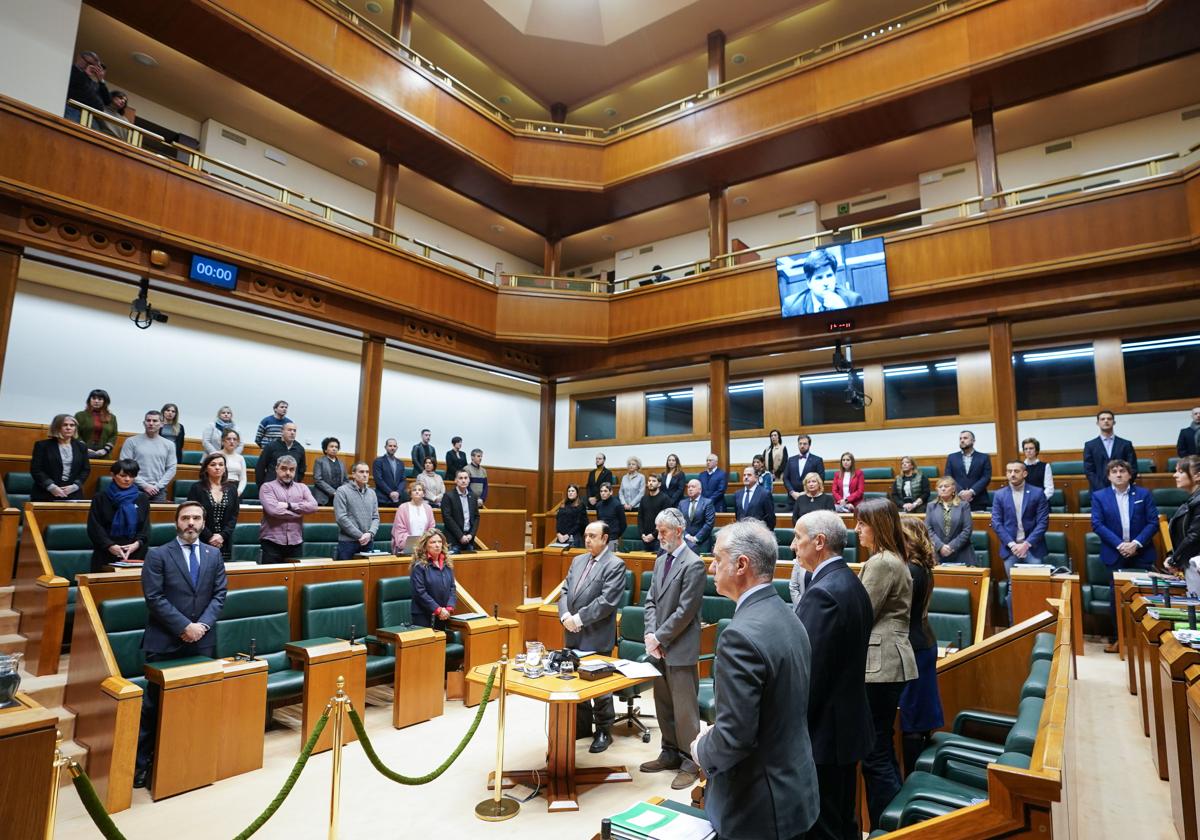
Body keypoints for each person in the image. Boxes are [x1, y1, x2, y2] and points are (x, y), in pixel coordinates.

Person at [691, 521, 819, 840]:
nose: (711, 567)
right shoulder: (788, 614)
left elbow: (735, 737)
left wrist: (702, 748)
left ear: (741, 565)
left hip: (758, 807)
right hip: (795, 788)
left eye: (718, 558)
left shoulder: (739, 636)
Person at [133, 501, 227, 789]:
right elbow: (154, 598)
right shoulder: (158, 554)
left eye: (196, 518)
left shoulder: (213, 554)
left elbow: (219, 595)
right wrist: (184, 627)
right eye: (185, 518)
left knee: (198, 703)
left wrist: (201, 627)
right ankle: (142, 765)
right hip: (166, 641)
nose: (191, 523)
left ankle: (192, 761)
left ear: (203, 522)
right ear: (177, 522)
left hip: (202, 642)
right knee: (154, 707)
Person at [791, 510, 873, 840]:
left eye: (799, 538)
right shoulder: (849, 580)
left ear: (819, 542)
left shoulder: (823, 593)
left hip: (826, 735)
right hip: (846, 727)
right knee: (843, 820)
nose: (794, 545)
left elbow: (810, 674)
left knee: (825, 827)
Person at [854, 498, 917, 830]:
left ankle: (887, 829)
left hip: (881, 664)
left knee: (875, 753)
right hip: (889, 662)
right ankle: (895, 825)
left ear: (877, 526)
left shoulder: (882, 563)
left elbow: (861, 613)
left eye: (863, 523)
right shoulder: (892, 560)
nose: (857, 529)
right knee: (882, 749)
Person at [640, 507, 705, 790]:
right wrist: (650, 634)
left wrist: (660, 638)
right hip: (659, 647)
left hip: (679, 646)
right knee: (663, 703)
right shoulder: (660, 561)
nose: (659, 535)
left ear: (679, 531)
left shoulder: (694, 563)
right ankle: (669, 752)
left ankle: (692, 761)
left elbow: (686, 611)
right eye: (657, 530)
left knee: (684, 708)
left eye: (663, 530)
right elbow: (650, 601)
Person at [559, 521, 626, 752]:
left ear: (605, 539)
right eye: (585, 535)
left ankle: (604, 731)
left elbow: (606, 602)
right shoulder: (578, 560)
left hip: (596, 634)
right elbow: (565, 590)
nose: (587, 540)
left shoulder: (615, 564)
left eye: (592, 536)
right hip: (572, 632)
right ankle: (583, 727)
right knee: (576, 680)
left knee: (599, 686)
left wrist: (578, 619)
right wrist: (565, 614)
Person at [1091, 459, 1159, 650]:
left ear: (1130, 474)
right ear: (1108, 476)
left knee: (1143, 597)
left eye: (1122, 471)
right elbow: (1097, 524)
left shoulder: (1143, 494)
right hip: (1115, 553)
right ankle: (1118, 638)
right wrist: (1120, 545)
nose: (1119, 474)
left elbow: (1153, 522)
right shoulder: (1099, 496)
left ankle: (1147, 640)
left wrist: (1136, 544)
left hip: (1142, 552)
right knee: (1117, 598)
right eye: (1114, 471)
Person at [897, 517, 944, 776]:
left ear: (910, 539)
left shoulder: (911, 571)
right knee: (919, 714)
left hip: (914, 646)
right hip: (923, 642)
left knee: (913, 718)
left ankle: (914, 779)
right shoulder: (920, 566)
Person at [992, 461, 1051, 619]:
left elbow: (1043, 522)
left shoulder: (1037, 493)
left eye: (1016, 471)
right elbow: (997, 523)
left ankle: (1039, 626)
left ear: (1024, 473)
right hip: (1010, 550)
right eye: (1009, 471)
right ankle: (1015, 626)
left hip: (1033, 548)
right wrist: (1012, 545)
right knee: (1013, 589)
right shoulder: (999, 495)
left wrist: (1026, 544)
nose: (1012, 474)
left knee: (1037, 587)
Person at [86, 459, 151, 572]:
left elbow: (145, 527)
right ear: (113, 475)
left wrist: (136, 544)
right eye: (123, 475)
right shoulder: (100, 498)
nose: (127, 479)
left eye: (131, 476)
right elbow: (94, 527)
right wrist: (110, 546)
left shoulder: (142, 498)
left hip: (135, 554)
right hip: (106, 553)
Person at [258, 455, 318, 563]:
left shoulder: (302, 487)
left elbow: (313, 506)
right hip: (272, 542)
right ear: (276, 469)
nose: (288, 473)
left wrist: (289, 506)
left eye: (291, 469)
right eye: (284, 468)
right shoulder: (267, 487)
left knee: (294, 579)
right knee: (272, 578)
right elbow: (274, 511)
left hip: (295, 542)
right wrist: (299, 513)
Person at [187, 453, 240, 561]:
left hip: (224, 541)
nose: (217, 467)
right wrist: (210, 536)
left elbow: (233, 516)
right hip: (201, 538)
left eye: (221, 464)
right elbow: (192, 515)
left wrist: (222, 536)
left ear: (225, 468)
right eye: (213, 464)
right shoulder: (197, 488)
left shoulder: (232, 489)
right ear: (206, 468)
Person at [780, 247, 864, 316]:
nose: (826, 283)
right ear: (809, 282)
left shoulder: (852, 300)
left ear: (835, 277)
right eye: (819, 278)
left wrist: (843, 310)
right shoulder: (792, 306)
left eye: (829, 276)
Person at [119, 410, 177, 503]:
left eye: (155, 421)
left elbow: (171, 468)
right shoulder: (131, 441)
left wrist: (158, 486)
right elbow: (125, 465)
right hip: (135, 487)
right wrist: (144, 485)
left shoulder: (169, 444)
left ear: (162, 424)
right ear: (144, 423)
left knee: (156, 517)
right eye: (148, 420)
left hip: (159, 490)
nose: (151, 423)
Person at [31, 414, 90, 501]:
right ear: (57, 427)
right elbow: (36, 469)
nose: (69, 428)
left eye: (72, 425)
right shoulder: (42, 446)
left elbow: (85, 469)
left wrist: (75, 486)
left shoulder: (81, 447)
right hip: (46, 494)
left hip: (73, 494)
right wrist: (51, 487)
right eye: (65, 425)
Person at [410, 529, 456, 630]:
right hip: (423, 616)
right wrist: (438, 609)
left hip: (443, 615)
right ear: (425, 545)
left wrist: (449, 608)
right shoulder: (419, 566)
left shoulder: (447, 564)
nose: (437, 545)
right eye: (433, 542)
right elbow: (420, 592)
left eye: (439, 542)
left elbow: (452, 588)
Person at [333, 462, 379, 560]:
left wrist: (370, 534)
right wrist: (360, 535)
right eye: (361, 472)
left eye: (367, 472)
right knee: (346, 574)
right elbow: (341, 518)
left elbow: (376, 517)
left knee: (367, 574)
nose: (365, 474)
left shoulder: (372, 493)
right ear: (353, 474)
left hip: (368, 542)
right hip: (348, 543)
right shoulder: (342, 491)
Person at [1084, 410, 1138, 491]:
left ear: (1114, 422)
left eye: (1109, 419)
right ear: (1097, 423)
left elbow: (1132, 468)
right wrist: (1103, 490)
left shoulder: (1126, 444)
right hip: (1099, 491)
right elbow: (1089, 471)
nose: (1106, 421)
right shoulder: (1090, 445)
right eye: (1102, 419)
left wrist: (1122, 485)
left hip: (1123, 489)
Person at [925, 476, 974, 564]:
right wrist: (940, 547)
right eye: (940, 487)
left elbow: (967, 530)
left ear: (953, 489)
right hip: (938, 554)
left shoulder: (964, 506)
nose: (943, 489)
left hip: (961, 553)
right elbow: (928, 529)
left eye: (946, 486)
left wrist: (951, 547)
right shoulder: (931, 506)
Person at [1165, 457, 1200, 580]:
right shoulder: (1193, 500)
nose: (1175, 475)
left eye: (1181, 472)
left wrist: (1174, 560)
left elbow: (1194, 536)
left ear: (1197, 476)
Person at [944, 430, 992, 511]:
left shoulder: (984, 457)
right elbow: (948, 477)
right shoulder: (952, 457)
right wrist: (961, 492)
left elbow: (986, 477)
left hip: (978, 500)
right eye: (960, 438)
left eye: (965, 438)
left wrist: (971, 492)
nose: (962, 440)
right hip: (956, 499)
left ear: (973, 441)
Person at [441, 469, 480, 554]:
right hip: (453, 540)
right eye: (461, 478)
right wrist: (460, 536)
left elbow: (476, 517)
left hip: (469, 540)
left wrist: (471, 535)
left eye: (466, 478)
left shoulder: (473, 496)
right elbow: (447, 518)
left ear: (469, 480)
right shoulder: (448, 496)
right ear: (456, 480)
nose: (463, 480)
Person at [66, 51, 111, 122]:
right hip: (72, 111)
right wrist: (85, 73)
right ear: (79, 58)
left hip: (91, 118)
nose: (91, 66)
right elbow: (74, 85)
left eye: (94, 65)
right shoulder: (69, 69)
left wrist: (101, 80)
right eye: (89, 63)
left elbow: (107, 101)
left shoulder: (91, 82)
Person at [74, 388, 118, 459]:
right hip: (82, 452)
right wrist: (84, 448)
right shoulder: (79, 415)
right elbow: (75, 433)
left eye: (100, 399)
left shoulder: (112, 417)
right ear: (89, 400)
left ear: (105, 401)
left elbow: (114, 435)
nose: (96, 401)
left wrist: (105, 450)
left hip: (103, 454)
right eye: (94, 398)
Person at [392, 482, 435, 554]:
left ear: (423, 494)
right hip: (407, 549)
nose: (417, 491)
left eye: (420, 490)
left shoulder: (428, 508)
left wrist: (425, 543)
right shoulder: (403, 508)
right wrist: (414, 544)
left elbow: (431, 528)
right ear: (410, 494)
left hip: (425, 548)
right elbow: (400, 530)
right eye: (414, 490)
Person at [783, 434, 827, 502]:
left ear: (809, 445)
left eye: (805, 444)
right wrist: (792, 492)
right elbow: (785, 478)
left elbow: (821, 479)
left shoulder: (817, 460)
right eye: (800, 444)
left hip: (811, 497)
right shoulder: (791, 460)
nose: (802, 446)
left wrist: (805, 492)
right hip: (793, 498)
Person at [679, 479, 716, 554]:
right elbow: (679, 521)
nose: (690, 489)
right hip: (685, 541)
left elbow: (709, 523)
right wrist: (686, 535)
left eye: (693, 487)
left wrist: (696, 538)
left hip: (702, 542)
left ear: (700, 490)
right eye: (688, 487)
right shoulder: (682, 503)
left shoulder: (707, 503)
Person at [734, 465, 776, 531]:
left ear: (756, 478)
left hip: (759, 535)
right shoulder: (738, 494)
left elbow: (770, 519)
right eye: (744, 475)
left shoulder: (764, 494)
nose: (746, 477)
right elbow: (737, 516)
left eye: (749, 475)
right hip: (742, 534)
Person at [637, 473, 670, 553]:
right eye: (649, 481)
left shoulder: (665, 499)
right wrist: (642, 534)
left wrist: (653, 535)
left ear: (659, 484)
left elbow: (665, 521)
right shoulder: (643, 499)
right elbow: (640, 518)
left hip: (659, 538)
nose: (650, 483)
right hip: (645, 538)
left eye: (653, 481)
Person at [372, 438, 408, 507]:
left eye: (394, 446)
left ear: (397, 448)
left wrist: (398, 492)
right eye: (390, 446)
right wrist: (390, 492)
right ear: (385, 447)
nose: (392, 448)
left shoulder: (400, 463)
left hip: (397, 498)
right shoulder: (378, 461)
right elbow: (378, 479)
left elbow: (403, 480)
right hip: (382, 499)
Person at [312, 437, 346, 506]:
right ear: (325, 449)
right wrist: (333, 492)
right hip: (323, 497)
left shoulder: (341, 463)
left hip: (339, 497)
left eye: (336, 447)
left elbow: (346, 480)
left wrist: (340, 491)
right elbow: (318, 479)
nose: (334, 449)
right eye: (331, 446)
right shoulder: (319, 461)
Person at [594, 483, 626, 550]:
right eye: (601, 491)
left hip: (613, 538)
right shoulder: (598, 505)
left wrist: (616, 535)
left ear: (611, 492)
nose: (603, 493)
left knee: (611, 559)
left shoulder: (617, 505)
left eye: (605, 491)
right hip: (601, 538)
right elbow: (599, 521)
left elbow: (623, 524)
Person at [218, 429, 248, 496]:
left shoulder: (240, 458)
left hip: (235, 488)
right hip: (219, 486)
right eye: (228, 439)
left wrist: (239, 491)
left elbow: (243, 478)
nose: (232, 441)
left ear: (237, 442)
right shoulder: (215, 455)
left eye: (234, 439)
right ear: (223, 441)